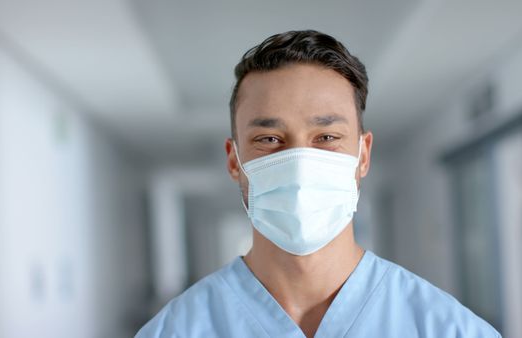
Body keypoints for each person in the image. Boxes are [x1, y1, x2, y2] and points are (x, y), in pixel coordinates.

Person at [135, 30, 500, 338]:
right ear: (235, 160)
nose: (299, 166)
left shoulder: (448, 329)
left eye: (326, 137)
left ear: (363, 155)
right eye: (270, 140)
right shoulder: (175, 330)